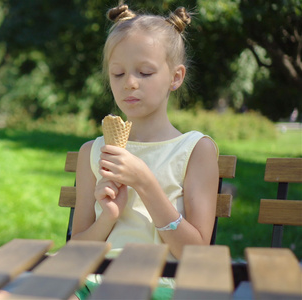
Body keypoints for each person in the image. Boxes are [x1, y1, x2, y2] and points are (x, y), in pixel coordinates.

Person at [71, 3, 219, 300]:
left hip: (162, 285)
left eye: (145, 72)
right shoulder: (93, 151)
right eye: (118, 73)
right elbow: (75, 253)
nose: (130, 83)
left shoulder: (195, 150)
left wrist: (145, 183)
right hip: (94, 283)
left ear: (175, 77)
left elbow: (196, 253)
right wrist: (108, 217)